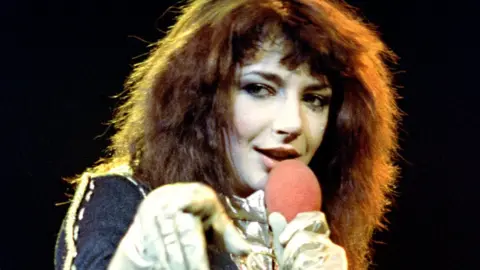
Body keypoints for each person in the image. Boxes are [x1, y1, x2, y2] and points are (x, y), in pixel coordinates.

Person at [55, 0, 400, 269]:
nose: (293, 123)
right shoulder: (124, 198)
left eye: (314, 99)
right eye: (260, 89)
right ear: (199, 96)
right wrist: (133, 261)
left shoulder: (320, 234)